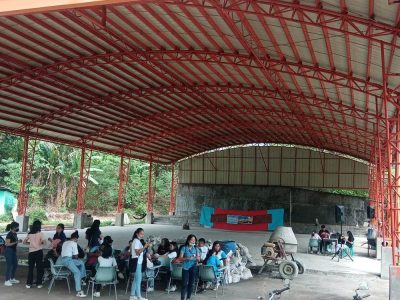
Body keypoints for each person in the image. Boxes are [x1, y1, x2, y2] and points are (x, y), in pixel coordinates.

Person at [61, 230, 87, 298]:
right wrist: (77, 258)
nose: (77, 241)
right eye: (77, 239)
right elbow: (76, 256)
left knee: (81, 263)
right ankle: (79, 292)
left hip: (65, 259)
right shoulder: (74, 243)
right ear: (75, 238)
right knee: (77, 272)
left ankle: (81, 279)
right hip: (68, 261)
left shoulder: (65, 242)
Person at [130, 228, 152, 300]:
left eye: (143, 233)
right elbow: (137, 252)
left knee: (136, 279)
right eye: (141, 233)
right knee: (138, 279)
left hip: (138, 262)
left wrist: (146, 247)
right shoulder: (136, 241)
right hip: (137, 262)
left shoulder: (137, 241)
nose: (143, 235)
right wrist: (145, 247)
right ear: (137, 233)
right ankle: (139, 296)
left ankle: (132, 296)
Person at [23, 220, 46, 289]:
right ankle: (39, 284)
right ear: (39, 226)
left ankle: (28, 284)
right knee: (39, 268)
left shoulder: (29, 234)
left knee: (30, 268)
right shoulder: (41, 234)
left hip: (31, 252)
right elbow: (44, 242)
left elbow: (24, 242)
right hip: (39, 252)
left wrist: (30, 244)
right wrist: (41, 242)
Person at [179, 234, 200, 300]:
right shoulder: (184, 248)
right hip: (185, 267)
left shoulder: (196, 248)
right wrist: (187, 258)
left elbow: (199, 259)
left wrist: (197, 258)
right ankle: (182, 298)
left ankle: (188, 298)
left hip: (193, 267)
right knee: (184, 283)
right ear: (188, 240)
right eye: (192, 240)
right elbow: (180, 258)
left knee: (191, 283)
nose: (193, 241)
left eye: (194, 240)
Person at [4, 221, 22, 287]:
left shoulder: (15, 234)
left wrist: (18, 242)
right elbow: (7, 244)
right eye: (17, 227)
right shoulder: (9, 234)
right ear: (14, 227)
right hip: (9, 251)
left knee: (15, 264)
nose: (18, 228)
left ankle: (12, 278)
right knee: (9, 265)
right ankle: (7, 280)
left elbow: (14, 242)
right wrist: (16, 242)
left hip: (13, 251)